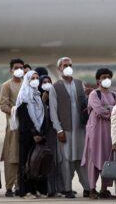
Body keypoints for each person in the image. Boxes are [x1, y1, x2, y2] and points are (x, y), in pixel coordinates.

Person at [49, 57, 90, 198]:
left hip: (80, 129)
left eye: (70, 65)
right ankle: (66, 188)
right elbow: (53, 111)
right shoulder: (55, 87)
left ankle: (88, 187)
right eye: (65, 65)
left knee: (82, 159)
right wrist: (58, 129)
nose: (68, 67)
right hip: (65, 130)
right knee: (66, 160)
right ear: (59, 68)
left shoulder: (80, 84)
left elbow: (85, 106)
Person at [82, 68, 116, 199]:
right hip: (95, 132)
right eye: (103, 77)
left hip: (110, 132)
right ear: (98, 80)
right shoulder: (94, 94)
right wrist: (111, 109)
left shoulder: (114, 95)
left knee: (108, 159)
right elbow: (100, 111)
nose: (106, 79)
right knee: (94, 159)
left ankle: (104, 189)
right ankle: (92, 189)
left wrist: (109, 109)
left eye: (108, 76)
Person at [15, 70, 48, 199]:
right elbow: (24, 117)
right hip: (27, 135)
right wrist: (33, 132)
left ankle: (35, 189)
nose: (35, 80)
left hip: (38, 134)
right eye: (32, 78)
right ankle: (26, 191)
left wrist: (40, 132)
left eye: (37, 78)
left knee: (37, 162)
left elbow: (41, 116)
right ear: (27, 80)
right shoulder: (23, 96)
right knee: (26, 163)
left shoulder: (37, 95)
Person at [0, 58, 25, 197]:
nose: (19, 69)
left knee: (24, 157)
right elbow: (3, 106)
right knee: (12, 157)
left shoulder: (26, 84)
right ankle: (9, 187)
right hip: (13, 127)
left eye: (21, 67)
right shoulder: (6, 85)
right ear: (11, 70)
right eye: (16, 67)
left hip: (26, 127)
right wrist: (17, 112)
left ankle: (20, 186)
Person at [39, 74, 64, 197]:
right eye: (44, 82)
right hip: (44, 135)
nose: (47, 84)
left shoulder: (55, 97)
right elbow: (38, 116)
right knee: (45, 162)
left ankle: (57, 188)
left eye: (49, 81)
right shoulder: (37, 97)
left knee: (56, 162)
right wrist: (42, 101)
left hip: (55, 134)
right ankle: (47, 189)